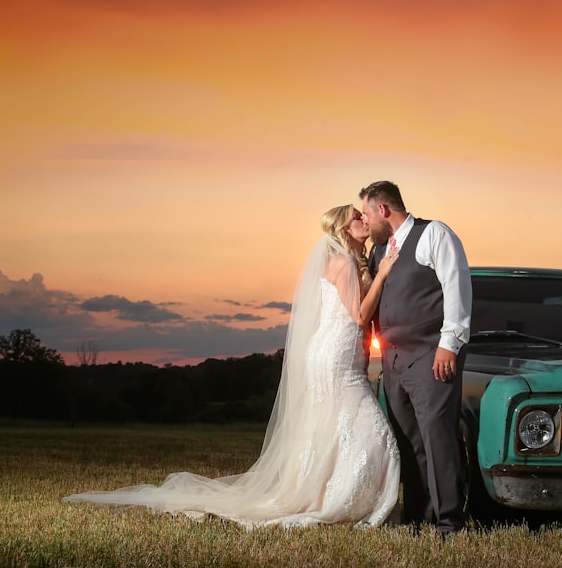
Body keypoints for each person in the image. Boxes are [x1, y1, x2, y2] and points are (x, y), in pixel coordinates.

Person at [64, 205, 401, 529]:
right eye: (357, 217)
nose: (364, 221)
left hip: (335, 353)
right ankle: (341, 498)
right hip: (335, 356)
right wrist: (384, 274)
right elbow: (358, 316)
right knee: (371, 427)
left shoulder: (344, 262)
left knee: (333, 425)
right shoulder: (343, 263)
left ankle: (335, 492)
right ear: (345, 228)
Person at [359, 181, 472, 536]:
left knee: (438, 437)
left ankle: (449, 522)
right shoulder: (380, 251)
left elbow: (456, 286)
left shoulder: (434, 234)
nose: (364, 223)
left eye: (365, 214)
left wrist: (449, 343)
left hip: (429, 356)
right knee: (408, 441)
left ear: (383, 210)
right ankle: (419, 517)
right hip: (393, 362)